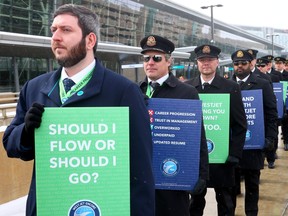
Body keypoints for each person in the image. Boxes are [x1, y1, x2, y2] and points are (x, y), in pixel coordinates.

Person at [2, 4, 155, 216]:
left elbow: (141, 169)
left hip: (102, 207)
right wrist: (26, 132)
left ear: (90, 40)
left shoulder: (123, 91)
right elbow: (11, 145)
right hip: (48, 206)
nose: (55, 37)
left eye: (66, 30)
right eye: (53, 30)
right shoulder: (34, 87)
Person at [139, 35, 209, 216]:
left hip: (173, 174)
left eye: (156, 58)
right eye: (146, 58)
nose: (150, 63)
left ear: (169, 61)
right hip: (143, 177)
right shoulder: (135, 91)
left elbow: (197, 138)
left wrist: (201, 175)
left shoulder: (186, 92)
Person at [186, 44, 247, 216]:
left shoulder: (231, 87)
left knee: (226, 202)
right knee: (195, 203)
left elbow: (240, 125)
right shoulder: (188, 88)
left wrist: (235, 153)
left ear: (217, 62)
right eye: (202, 60)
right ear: (197, 63)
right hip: (197, 160)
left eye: (210, 60)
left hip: (223, 159)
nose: (206, 63)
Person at [231, 50, 278, 215]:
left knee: (252, 185)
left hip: (254, 143)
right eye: (236, 63)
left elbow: (271, 114)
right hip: (232, 145)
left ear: (250, 64)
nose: (240, 66)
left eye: (243, 63)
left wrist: (270, 138)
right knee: (230, 188)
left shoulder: (262, 84)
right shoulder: (226, 85)